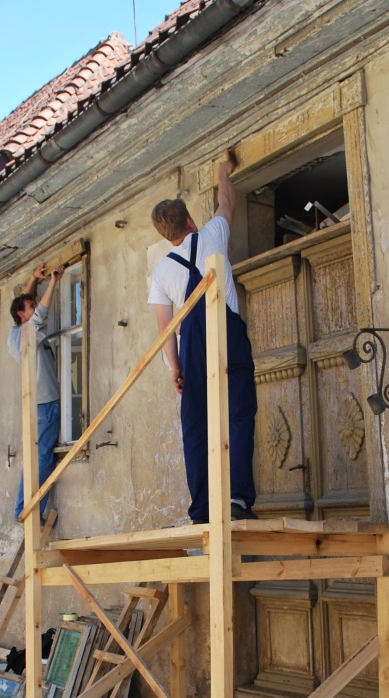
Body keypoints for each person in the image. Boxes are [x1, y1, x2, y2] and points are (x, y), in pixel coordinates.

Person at [148, 149, 257, 525]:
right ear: (190, 220)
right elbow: (227, 203)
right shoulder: (213, 233)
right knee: (239, 411)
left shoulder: (162, 272)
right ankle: (238, 499)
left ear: (166, 234)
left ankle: (202, 510)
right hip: (226, 331)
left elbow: (166, 327)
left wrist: (175, 368)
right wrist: (224, 171)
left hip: (191, 345)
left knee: (196, 425)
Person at [7, 262, 65, 519]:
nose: (34, 305)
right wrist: (53, 281)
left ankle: (23, 507)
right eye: (29, 306)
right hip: (47, 400)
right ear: (22, 314)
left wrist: (32, 279)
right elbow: (39, 313)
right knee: (42, 458)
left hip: (35, 402)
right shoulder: (30, 330)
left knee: (34, 457)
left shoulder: (14, 334)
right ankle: (30, 510)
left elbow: (25, 306)